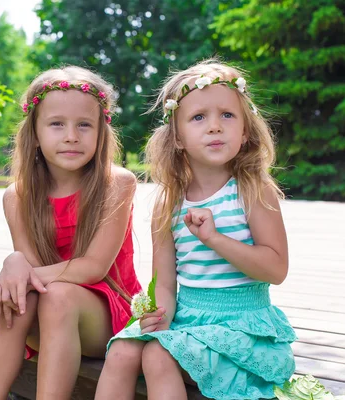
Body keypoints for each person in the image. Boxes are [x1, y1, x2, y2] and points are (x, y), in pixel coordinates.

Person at [95, 59, 297, 400]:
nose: (215, 127)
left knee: (158, 355)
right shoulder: (169, 204)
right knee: (123, 351)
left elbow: (276, 269)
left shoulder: (252, 190)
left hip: (242, 325)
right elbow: (165, 282)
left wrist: (215, 240)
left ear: (245, 130)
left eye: (227, 115)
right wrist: (160, 317)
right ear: (177, 136)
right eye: (199, 117)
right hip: (187, 319)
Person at [0, 66, 142, 400]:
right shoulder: (17, 197)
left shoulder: (117, 184)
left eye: (84, 125)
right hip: (49, 313)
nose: (71, 136)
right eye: (56, 124)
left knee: (53, 294)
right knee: (19, 296)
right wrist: (16, 263)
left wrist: (16, 268)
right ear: (34, 133)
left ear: (100, 133)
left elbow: (93, 267)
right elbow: (32, 276)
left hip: (111, 315)